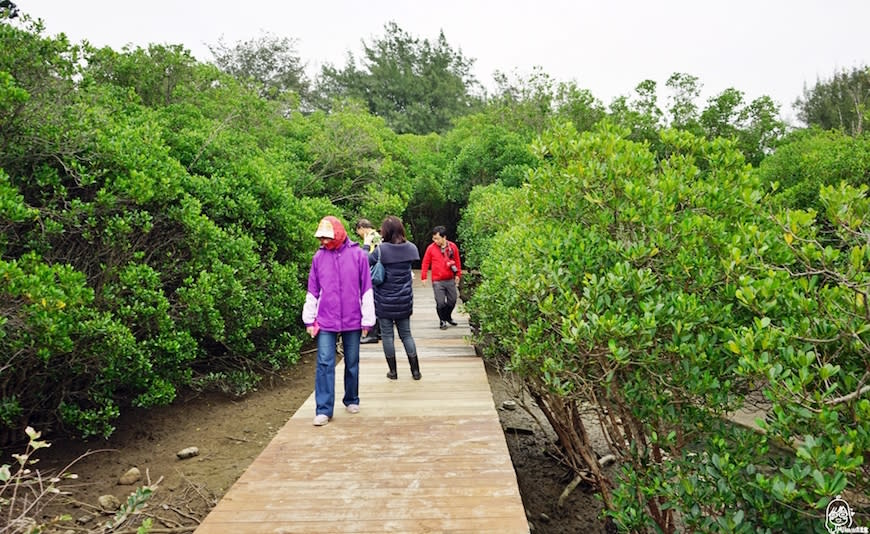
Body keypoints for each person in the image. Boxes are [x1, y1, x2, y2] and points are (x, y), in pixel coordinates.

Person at [302, 216, 375, 426]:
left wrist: (367, 320)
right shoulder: (318, 258)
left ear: (337, 233)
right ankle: (323, 409)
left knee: (352, 361)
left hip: (353, 317)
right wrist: (309, 320)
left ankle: (351, 398)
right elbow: (313, 290)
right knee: (325, 362)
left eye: (326, 237)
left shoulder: (358, 255)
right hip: (326, 319)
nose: (323, 241)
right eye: (321, 238)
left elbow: (366, 289)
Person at [369, 216, 421, 380]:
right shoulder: (411, 248)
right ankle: (416, 371)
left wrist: (366, 243)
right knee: (406, 335)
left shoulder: (381, 250)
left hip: (385, 301)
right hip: (404, 300)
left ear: (385, 231)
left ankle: (393, 372)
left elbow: (364, 261)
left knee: (387, 336)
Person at [420, 225, 462, 330]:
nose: (435, 241)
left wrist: (458, 274)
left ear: (444, 237)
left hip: (450, 278)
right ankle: (442, 320)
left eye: (437, 238)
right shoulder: (431, 248)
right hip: (437, 280)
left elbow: (457, 261)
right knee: (440, 302)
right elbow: (425, 262)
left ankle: (447, 316)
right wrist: (424, 276)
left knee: (452, 300)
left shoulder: (452, 247)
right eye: (433, 238)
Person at [355, 218, 382, 344]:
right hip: (374, 272)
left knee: (373, 303)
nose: (359, 234)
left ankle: (373, 334)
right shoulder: (376, 235)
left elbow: (374, 254)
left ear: (362, 228)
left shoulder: (373, 236)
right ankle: (379, 332)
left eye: (358, 231)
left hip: (372, 273)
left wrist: (365, 246)